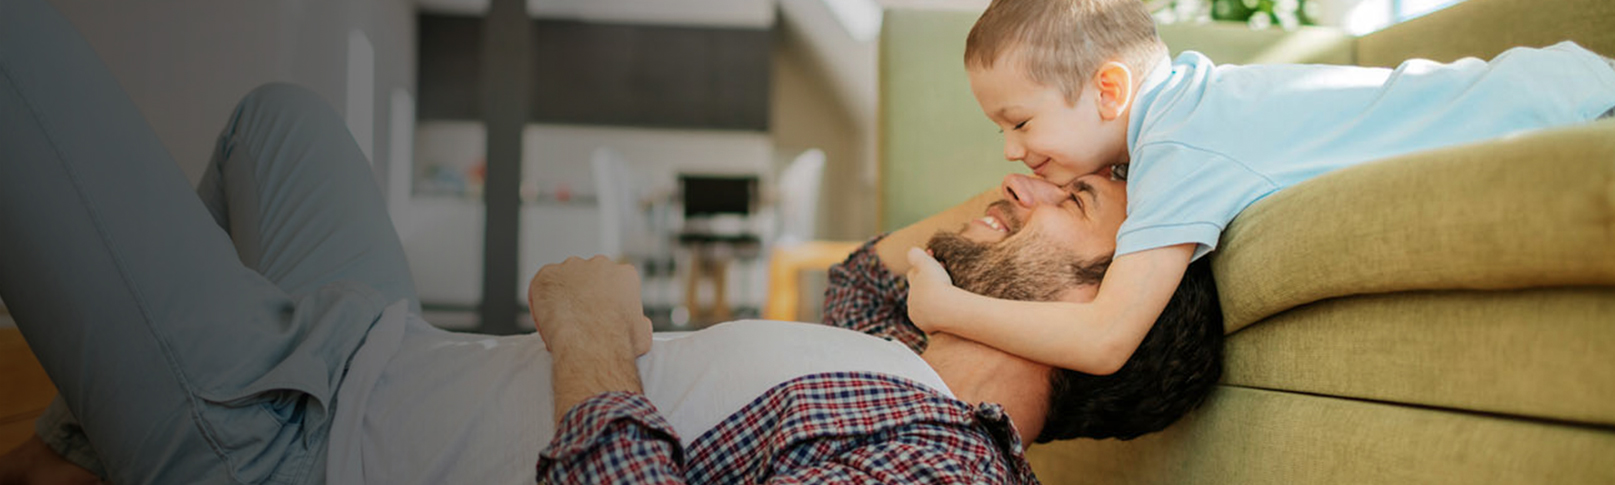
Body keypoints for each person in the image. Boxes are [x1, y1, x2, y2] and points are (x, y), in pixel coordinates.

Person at [0, 0, 1223, 483]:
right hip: (380, 347)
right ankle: (76, 448)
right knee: (284, 124)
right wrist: (1072, 154)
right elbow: (907, 253)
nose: (1017, 185)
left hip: (294, 441)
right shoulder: (888, 344)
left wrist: (590, 348)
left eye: (1071, 207)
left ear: (1091, 324)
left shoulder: (934, 467)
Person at [901, 0, 1615, 377]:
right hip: (1557, 86)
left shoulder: (1179, 146)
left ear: (1110, 89)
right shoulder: (1199, 104)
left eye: (1019, 121)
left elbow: (1105, 338)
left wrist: (949, 307)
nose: (1011, 150)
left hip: (1566, 113)